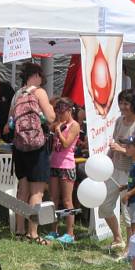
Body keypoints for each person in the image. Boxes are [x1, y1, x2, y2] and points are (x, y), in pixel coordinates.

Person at [6, 62, 55, 244]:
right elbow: (51, 118)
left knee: (22, 189)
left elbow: (8, 123)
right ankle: (32, 232)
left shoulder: (17, 95)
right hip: (37, 146)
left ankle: (19, 230)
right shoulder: (39, 92)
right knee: (37, 191)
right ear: (36, 75)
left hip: (19, 147)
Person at [100, 90, 135, 251]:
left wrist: (121, 149)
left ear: (134, 105)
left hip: (130, 173)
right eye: (121, 103)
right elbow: (114, 144)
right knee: (105, 206)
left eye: (126, 103)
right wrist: (107, 159)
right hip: (114, 170)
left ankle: (130, 248)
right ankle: (117, 238)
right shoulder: (119, 121)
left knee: (128, 213)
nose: (122, 107)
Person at [45, 98, 79, 244]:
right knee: (53, 199)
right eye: (57, 111)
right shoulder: (57, 123)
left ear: (69, 110)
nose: (59, 115)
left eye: (62, 112)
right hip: (54, 164)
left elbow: (65, 144)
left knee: (66, 200)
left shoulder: (74, 125)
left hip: (67, 165)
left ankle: (70, 233)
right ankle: (54, 230)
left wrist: (58, 131)